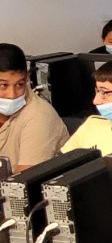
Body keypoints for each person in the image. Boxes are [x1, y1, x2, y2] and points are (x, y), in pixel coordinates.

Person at [0, 43, 69, 172]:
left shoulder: (39, 115)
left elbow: (25, 178)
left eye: (20, 84)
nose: (12, 95)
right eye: (3, 85)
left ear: (27, 78)